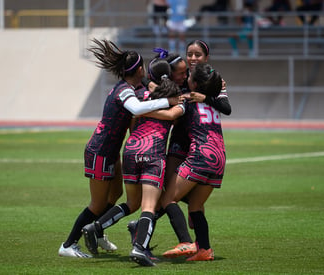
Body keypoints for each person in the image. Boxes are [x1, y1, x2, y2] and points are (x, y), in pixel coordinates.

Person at [58, 39, 180, 258]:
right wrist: (168, 101)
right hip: (100, 151)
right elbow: (136, 107)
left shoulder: (136, 87)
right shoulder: (123, 91)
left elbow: (150, 90)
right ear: (139, 69)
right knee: (97, 204)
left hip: (113, 152)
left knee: (114, 196)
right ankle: (68, 244)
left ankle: (99, 230)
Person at [81, 58, 184, 267]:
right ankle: (139, 248)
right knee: (148, 206)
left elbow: (133, 119)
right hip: (154, 152)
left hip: (131, 151)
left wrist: (144, 110)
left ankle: (96, 227)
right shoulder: (177, 101)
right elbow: (174, 114)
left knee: (132, 203)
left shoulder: (139, 96)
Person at [161, 63, 228, 261]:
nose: (186, 78)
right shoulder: (213, 102)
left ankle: (185, 242)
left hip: (200, 156)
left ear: (195, 84)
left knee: (167, 199)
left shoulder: (188, 100)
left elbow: (172, 115)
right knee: (196, 206)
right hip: (220, 158)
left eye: (189, 77)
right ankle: (204, 250)